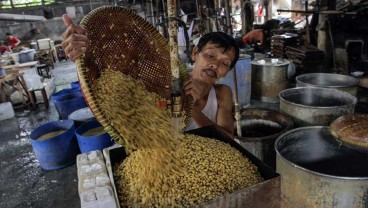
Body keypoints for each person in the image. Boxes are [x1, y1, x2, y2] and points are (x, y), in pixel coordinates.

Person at [61, 15, 239, 139]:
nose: (215, 65)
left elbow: (229, 137)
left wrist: (191, 108)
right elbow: (119, 81)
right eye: (210, 55)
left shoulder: (223, 93)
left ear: (227, 71)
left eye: (225, 63)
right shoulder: (167, 81)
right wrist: (85, 52)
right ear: (195, 53)